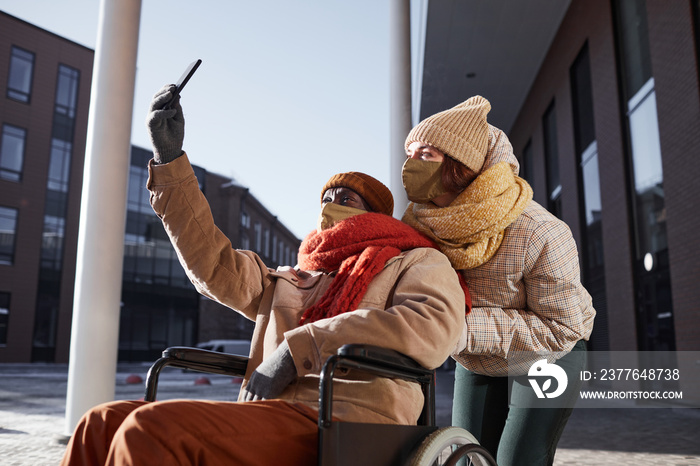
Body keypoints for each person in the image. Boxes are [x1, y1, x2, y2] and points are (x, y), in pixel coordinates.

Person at [59, 85, 467, 466]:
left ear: (375, 215)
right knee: (100, 422)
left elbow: (430, 328)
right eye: (326, 199)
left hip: (351, 420)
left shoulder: (415, 261)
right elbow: (213, 265)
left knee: (151, 430)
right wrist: (170, 163)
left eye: (346, 199)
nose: (332, 205)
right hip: (269, 413)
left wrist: (298, 349)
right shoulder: (293, 278)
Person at [400, 95, 595, 466]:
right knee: (469, 458)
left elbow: (561, 328)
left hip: (551, 355)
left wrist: (461, 326)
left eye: (426, 153)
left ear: (461, 164)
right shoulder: (422, 229)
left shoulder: (540, 231)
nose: (410, 164)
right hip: (478, 358)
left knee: (515, 459)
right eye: (410, 153)